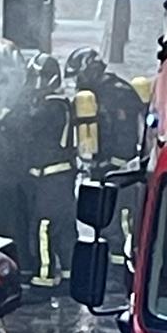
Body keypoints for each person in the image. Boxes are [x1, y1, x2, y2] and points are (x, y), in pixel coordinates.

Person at [23, 53, 77, 297]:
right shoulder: (62, 104)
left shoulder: (52, 107)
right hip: (61, 179)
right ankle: (69, 276)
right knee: (65, 228)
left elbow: (29, 125)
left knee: (44, 226)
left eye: (38, 78)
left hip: (52, 179)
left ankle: (43, 279)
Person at [64, 47, 145, 179]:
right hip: (120, 163)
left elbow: (122, 133)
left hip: (113, 166)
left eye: (77, 77)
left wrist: (105, 163)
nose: (76, 83)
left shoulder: (110, 94)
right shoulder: (117, 88)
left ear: (88, 71)